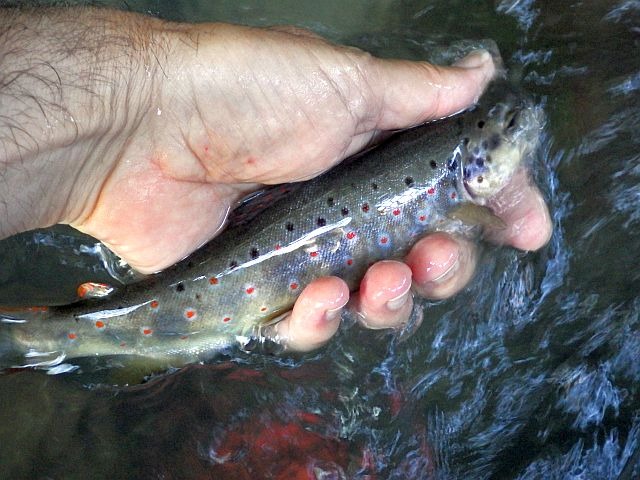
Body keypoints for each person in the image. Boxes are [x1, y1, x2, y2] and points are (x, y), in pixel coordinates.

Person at [0, 7, 551, 352]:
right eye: (508, 129)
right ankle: (38, 336)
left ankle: (44, 335)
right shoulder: (465, 196)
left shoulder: (454, 175)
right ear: (471, 167)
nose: (521, 128)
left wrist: (136, 119)